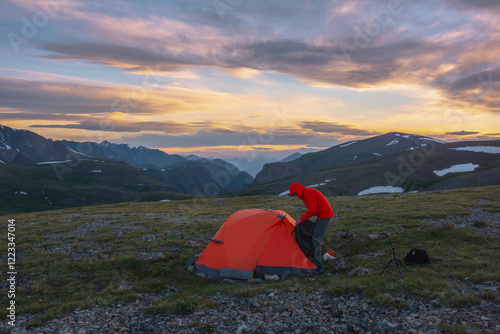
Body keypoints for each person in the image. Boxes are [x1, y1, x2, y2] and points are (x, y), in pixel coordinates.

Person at [289, 182, 334, 273]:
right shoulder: (305, 193)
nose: (295, 196)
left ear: (298, 190)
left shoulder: (308, 193)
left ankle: (319, 267)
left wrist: (301, 219)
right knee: (315, 237)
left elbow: (312, 210)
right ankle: (317, 260)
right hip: (321, 216)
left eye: (295, 193)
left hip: (325, 215)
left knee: (316, 240)